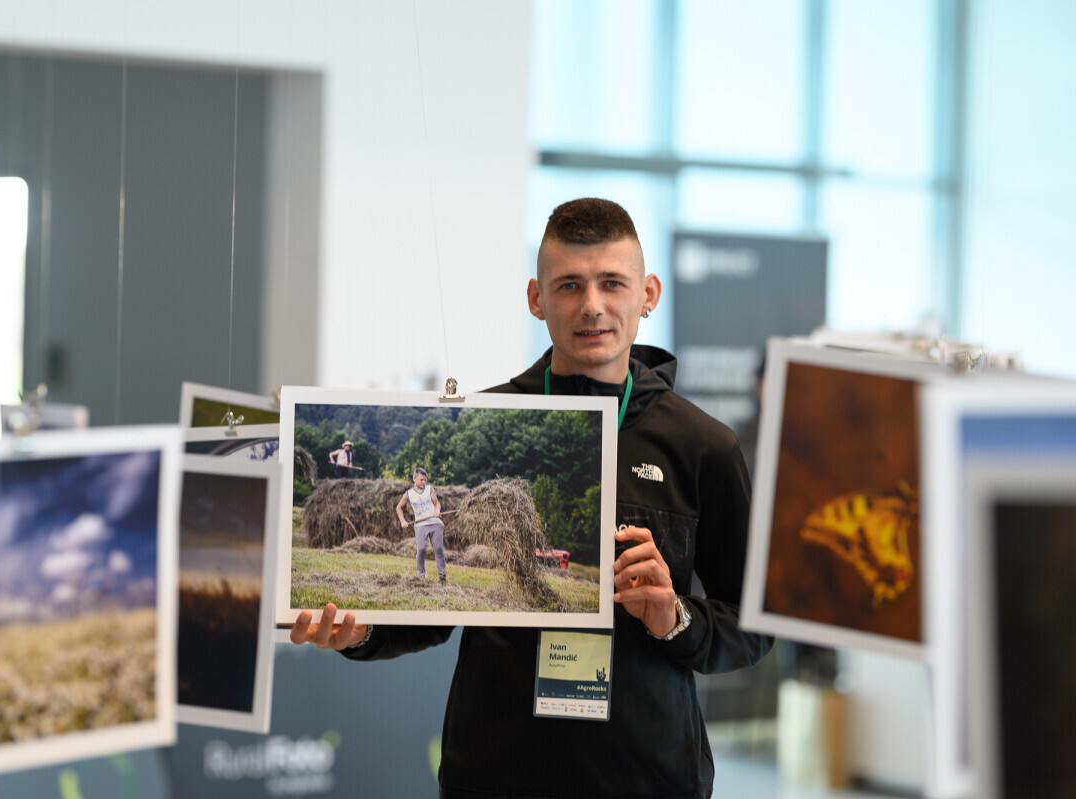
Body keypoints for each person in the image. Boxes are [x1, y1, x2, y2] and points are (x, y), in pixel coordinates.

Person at [291, 197, 773, 799]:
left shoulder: (704, 446)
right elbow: (434, 615)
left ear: (647, 294)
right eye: (569, 285)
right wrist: (360, 635)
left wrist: (676, 618)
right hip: (495, 773)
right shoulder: (488, 420)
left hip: (648, 776)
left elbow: (753, 624)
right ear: (536, 298)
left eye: (612, 283)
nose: (591, 305)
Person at [396, 467, 448, 583]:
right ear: (414, 479)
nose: (423, 482)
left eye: (425, 480)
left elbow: (436, 503)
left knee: (439, 549)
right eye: (421, 480)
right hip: (420, 525)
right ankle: (420, 577)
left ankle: (442, 576)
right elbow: (399, 507)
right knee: (421, 550)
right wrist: (403, 521)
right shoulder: (409, 494)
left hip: (435, 523)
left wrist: (437, 510)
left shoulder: (429, 489)